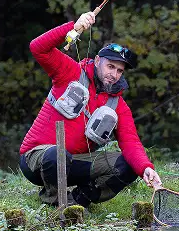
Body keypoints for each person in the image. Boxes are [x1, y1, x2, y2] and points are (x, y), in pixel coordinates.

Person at [19, 11, 162, 207]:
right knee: (57, 154)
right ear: (97, 61)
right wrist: (73, 28)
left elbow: (130, 142)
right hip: (36, 159)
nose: (114, 74)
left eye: (119, 71)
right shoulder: (69, 72)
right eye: (110, 67)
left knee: (129, 166)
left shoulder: (119, 105)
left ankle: (80, 199)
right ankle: (54, 199)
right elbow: (38, 48)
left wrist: (145, 167)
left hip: (76, 163)